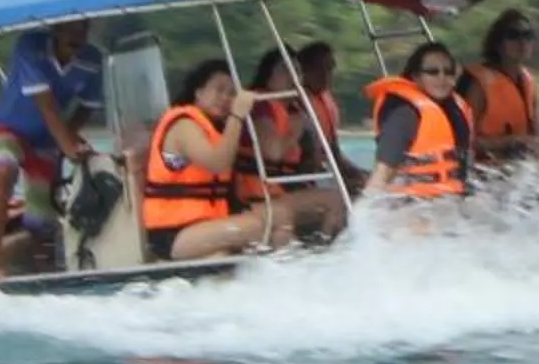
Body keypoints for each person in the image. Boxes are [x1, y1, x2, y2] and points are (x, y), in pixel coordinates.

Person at [0, 17, 104, 280]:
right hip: (6, 128)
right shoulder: (30, 46)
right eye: (71, 30)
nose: (77, 39)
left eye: (84, 29)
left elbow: (88, 105)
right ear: (56, 29)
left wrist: (69, 137)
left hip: (46, 139)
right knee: (3, 171)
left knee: (41, 213)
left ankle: (44, 267)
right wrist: (67, 146)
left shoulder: (92, 59)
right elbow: (45, 104)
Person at [141, 58, 293, 262]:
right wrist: (237, 116)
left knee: (282, 215)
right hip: (173, 233)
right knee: (259, 226)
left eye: (231, 93)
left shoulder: (214, 128)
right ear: (198, 92)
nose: (225, 98)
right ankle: (274, 273)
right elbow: (217, 163)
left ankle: (279, 280)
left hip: (205, 223)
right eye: (219, 90)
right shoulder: (184, 125)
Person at [236, 48, 346, 242]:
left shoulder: (291, 109)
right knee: (336, 200)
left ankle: (322, 247)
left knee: (348, 196)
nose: (294, 77)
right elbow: (274, 152)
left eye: (297, 71)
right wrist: (296, 128)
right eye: (285, 70)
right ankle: (324, 251)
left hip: (281, 191)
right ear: (268, 76)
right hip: (258, 197)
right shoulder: (261, 105)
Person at [361, 40, 475, 201]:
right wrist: (366, 213)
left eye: (448, 71)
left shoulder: (456, 109)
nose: (441, 77)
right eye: (432, 72)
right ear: (416, 77)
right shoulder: (404, 114)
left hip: (450, 201)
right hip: (413, 207)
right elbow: (382, 173)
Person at [461, 9, 539, 164]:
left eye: (528, 35)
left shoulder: (528, 81)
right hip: (483, 172)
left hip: (518, 170)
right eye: (513, 35)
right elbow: (463, 142)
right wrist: (512, 141)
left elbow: (537, 138)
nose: (522, 42)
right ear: (498, 44)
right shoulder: (480, 84)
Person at [294, 40, 369, 196]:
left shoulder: (325, 101)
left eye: (330, 68)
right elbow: (306, 158)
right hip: (303, 176)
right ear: (304, 70)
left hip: (325, 171)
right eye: (320, 68)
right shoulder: (294, 102)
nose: (327, 74)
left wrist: (360, 174)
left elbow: (333, 152)